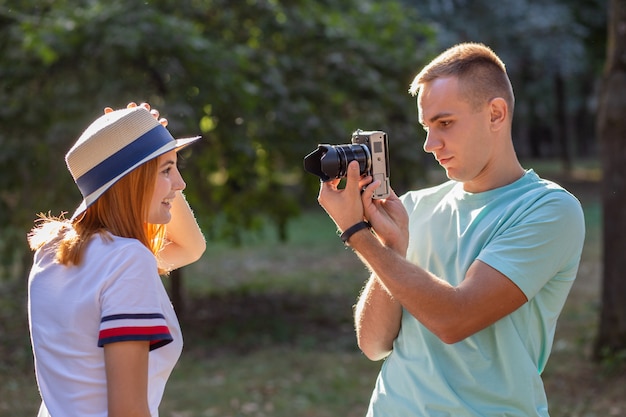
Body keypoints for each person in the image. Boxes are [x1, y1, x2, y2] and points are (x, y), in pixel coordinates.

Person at [317, 42, 585, 416]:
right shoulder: (413, 206)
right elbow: (374, 344)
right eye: (427, 127)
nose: (430, 144)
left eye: (445, 124)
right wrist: (392, 247)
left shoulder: (549, 210)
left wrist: (357, 234)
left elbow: (454, 319)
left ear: (495, 114)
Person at [27, 102, 206, 417]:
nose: (180, 183)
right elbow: (127, 411)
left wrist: (145, 140)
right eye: (166, 170)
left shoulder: (52, 252)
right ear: (130, 180)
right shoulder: (127, 260)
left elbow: (190, 248)